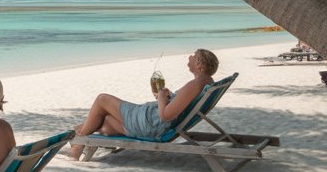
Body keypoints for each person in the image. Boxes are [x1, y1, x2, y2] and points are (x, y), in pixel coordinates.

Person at [67, 48, 219, 160]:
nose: (190, 56)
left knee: (102, 99)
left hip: (150, 124)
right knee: (104, 120)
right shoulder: (205, 82)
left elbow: (165, 116)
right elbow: (176, 108)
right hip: (150, 123)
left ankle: (78, 142)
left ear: (200, 66)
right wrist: (166, 98)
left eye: (194, 56)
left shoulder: (195, 85)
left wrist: (161, 99)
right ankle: (83, 131)